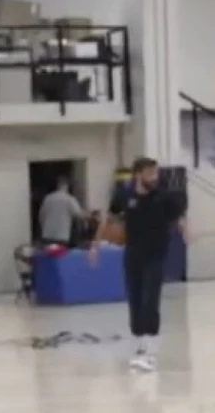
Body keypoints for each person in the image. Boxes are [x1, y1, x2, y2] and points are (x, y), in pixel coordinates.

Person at [90, 157, 187, 372]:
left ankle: (150, 351)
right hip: (133, 254)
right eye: (150, 173)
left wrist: (186, 230)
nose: (154, 177)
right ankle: (138, 347)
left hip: (156, 255)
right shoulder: (124, 196)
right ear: (137, 175)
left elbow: (178, 217)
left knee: (149, 301)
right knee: (134, 301)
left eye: (156, 173)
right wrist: (95, 246)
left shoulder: (162, 197)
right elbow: (108, 219)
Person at [39, 177, 86, 247]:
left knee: (48, 253)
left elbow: (41, 216)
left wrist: (44, 228)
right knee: (60, 253)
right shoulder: (70, 199)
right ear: (67, 186)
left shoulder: (47, 198)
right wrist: (87, 214)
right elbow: (79, 215)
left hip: (47, 235)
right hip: (62, 236)